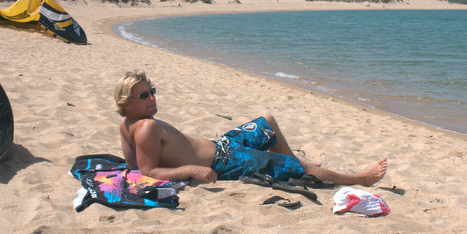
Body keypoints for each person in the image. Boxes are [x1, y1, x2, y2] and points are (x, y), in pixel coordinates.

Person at [115, 70, 387, 186]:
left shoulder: (127, 125)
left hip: (222, 145)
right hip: (225, 161)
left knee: (267, 120)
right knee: (297, 170)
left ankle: (293, 160)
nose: (152, 98)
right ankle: (360, 178)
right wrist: (190, 170)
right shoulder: (146, 127)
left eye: (152, 91)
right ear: (127, 103)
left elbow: (133, 165)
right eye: (143, 96)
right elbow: (146, 171)